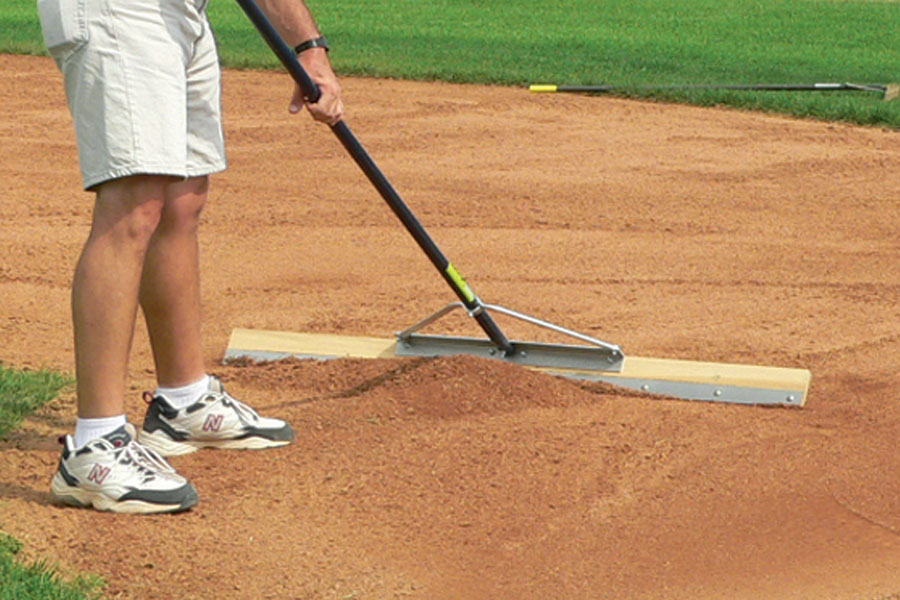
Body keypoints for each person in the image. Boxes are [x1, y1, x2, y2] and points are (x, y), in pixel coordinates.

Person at [37, 0, 344, 513]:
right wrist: (307, 50)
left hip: (179, 12)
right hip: (119, 9)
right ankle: (94, 448)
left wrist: (309, 48)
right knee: (134, 204)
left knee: (183, 198)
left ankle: (184, 399)